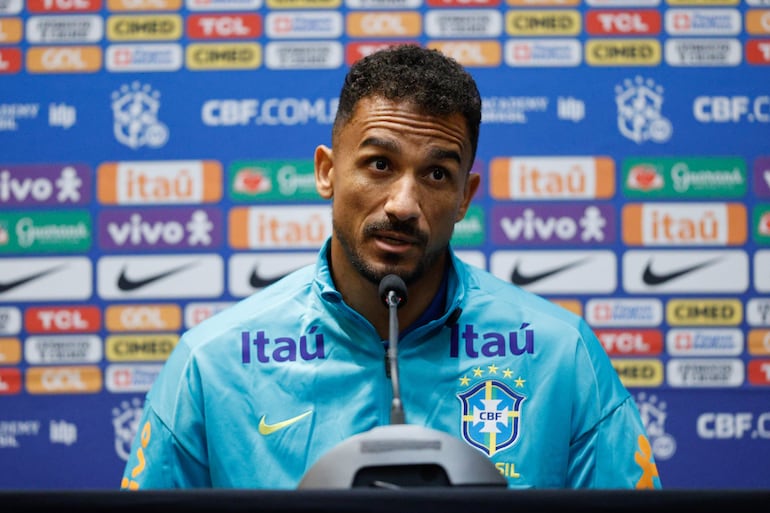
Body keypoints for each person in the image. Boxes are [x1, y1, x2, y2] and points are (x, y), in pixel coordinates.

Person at [120, 44, 661, 490]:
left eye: (436, 175)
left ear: (466, 196)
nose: (403, 204)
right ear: (327, 172)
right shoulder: (213, 363)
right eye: (380, 164)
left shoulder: (559, 353)